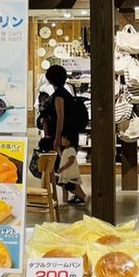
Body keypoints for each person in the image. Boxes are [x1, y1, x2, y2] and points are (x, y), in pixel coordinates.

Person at [40, 64, 87, 205]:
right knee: (62, 170)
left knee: (62, 170)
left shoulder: (59, 95)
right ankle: (76, 196)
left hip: (63, 138)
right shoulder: (63, 93)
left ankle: (82, 196)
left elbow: (60, 118)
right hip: (67, 136)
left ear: (50, 79)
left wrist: (57, 139)